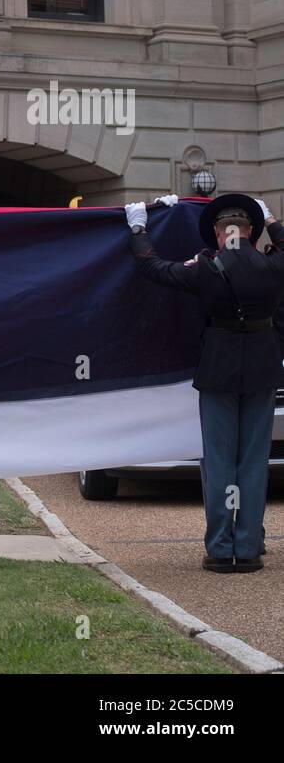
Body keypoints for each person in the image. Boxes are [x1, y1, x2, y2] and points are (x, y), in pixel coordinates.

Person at [125, 193, 284, 573]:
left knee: (218, 460)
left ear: (218, 233)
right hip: (261, 368)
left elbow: (153, 267)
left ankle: (219, 547)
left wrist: (138, 228)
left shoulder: (205, 269)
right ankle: (247, 547)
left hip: (219, 370)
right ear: (250, 231)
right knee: (252, 460)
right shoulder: (273, 266)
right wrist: (273, 217)